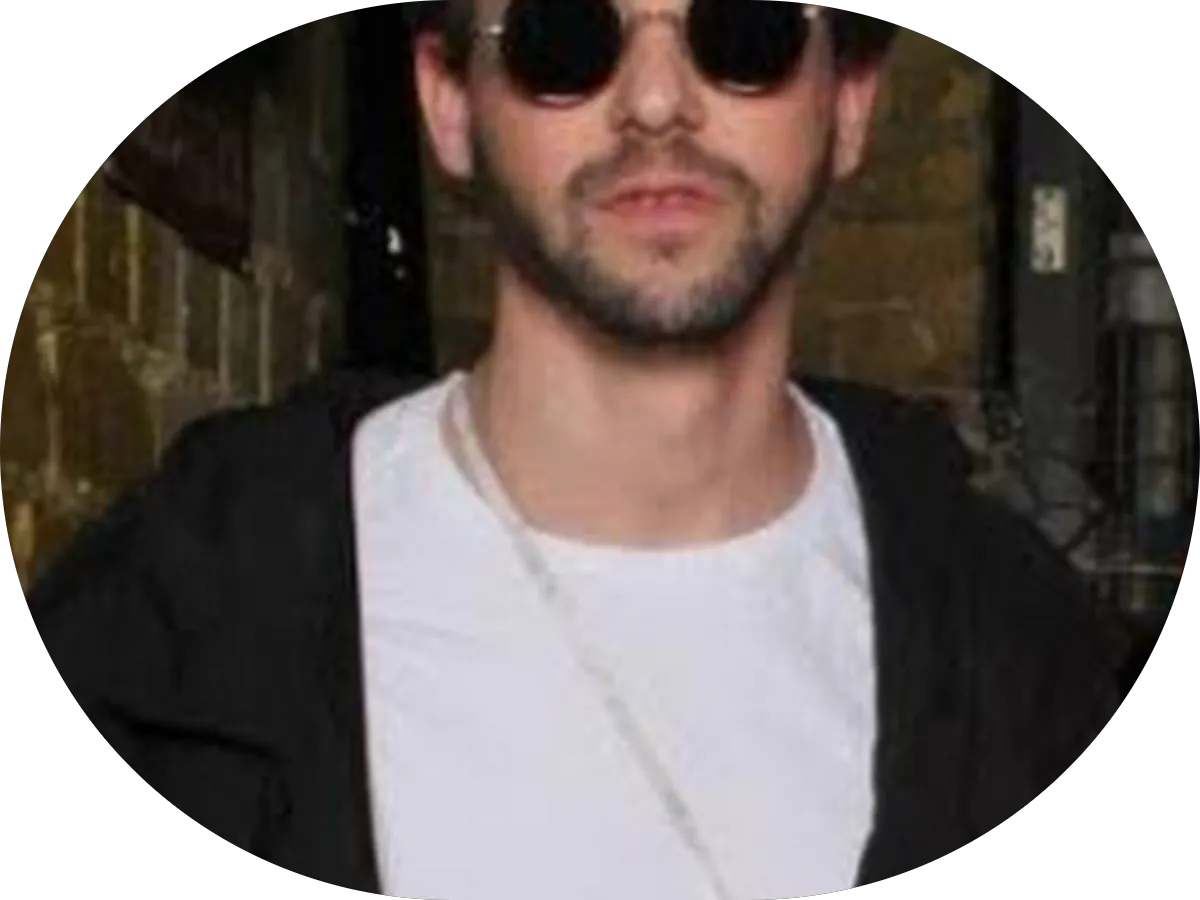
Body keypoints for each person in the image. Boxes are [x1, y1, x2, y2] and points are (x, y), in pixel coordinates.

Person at [24, 1, 1128, 897]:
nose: (655, 102)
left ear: (849, 100)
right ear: (448, 101)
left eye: (744, 33)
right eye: (563, 37)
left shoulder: (1023, 654)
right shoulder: (181, 609)